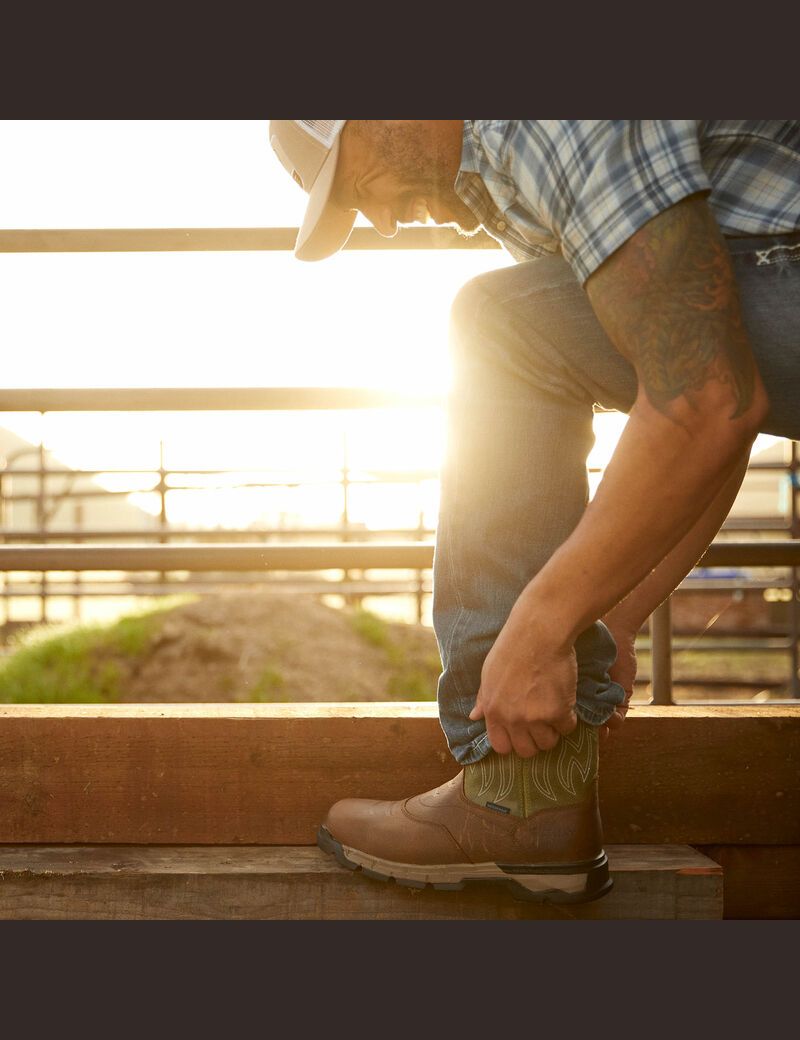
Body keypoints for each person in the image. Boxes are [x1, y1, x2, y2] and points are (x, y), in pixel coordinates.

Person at [269, 120, 800, 904]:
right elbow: (711, 408)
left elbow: (704, 402)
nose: (381, 223)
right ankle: (525, 794)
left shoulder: (551, 119)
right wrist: (608, 615)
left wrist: (540, 629)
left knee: (500, 324)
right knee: (511, 317)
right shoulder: (510, 182)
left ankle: (515, 793)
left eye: (357, 186)